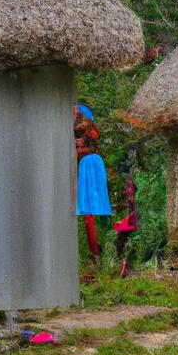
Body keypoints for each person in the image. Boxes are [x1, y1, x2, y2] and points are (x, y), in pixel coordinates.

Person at [74, 105, 111, 257]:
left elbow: (79, 152)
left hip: (89, 165)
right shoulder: (88, 132)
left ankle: (96, 251)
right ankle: (98, 249)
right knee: (92, 210)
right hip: (94, 164)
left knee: (90, 210)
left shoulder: (85, 133)